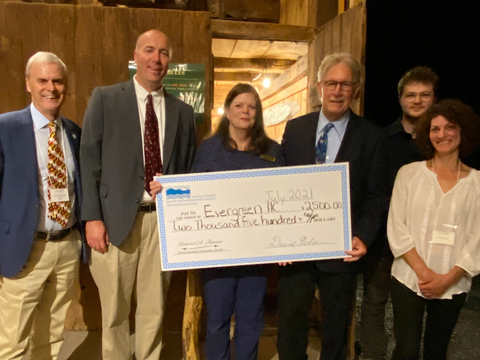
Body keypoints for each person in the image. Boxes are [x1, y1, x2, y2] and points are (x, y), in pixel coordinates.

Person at [80, 29, 196, 360]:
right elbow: (89, 161)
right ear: (135, 56)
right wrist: (92, 218)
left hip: (161, 224)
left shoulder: (183, 113)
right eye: (149, 50)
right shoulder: (105, 99)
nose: (156, 59)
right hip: (113, 223)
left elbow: (186, 170)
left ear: (169, 61)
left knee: (154, 309)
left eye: (163, 53)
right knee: (114, 311)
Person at [277, 53, 389, 360]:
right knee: (290, 321)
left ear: (356, 89)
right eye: (331, 83)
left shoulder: (373, 136)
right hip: (296, 248)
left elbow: (378, 195)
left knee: (337, 326)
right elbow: (280, 186)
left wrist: (363, 236)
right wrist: (278, 239)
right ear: (319, 87)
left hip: (342, 246)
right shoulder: (296, 128)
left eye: (345, 84)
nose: (337, 90)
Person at [191, 83, 284, 360]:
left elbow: (283, 200)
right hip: (218, 254)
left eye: (252, 106)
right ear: (227, 111)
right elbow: (192, 194)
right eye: (239, 105)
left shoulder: (273, 152)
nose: (246, 111)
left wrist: (286, 242)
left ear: (258, 113)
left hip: (256, 254)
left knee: (250, 320)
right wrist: (168, 190)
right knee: (217, 320)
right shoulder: (209, 149)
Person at [0, 51, 84, 359]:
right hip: (24, 250)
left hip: (66, 248)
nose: (51, 87)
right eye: (43, 80)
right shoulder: (4, 128)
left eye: (58, 81)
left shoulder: (73, 132)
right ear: (28, 84)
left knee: (53, 340)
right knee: (13, 342)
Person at [388, 99, 480, 360]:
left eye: (449, 127)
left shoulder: (477, 184)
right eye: (435, 129)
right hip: (408, 277)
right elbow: (397, 227)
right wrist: (424, 272)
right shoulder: (409, 174)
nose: (442, 135)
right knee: (405, 351)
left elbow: (478, 239)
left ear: (463, 131)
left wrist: (447, 279)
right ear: (427, 134)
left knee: (437, 351)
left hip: (454, 280)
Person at [359, 66, 438, 360]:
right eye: (411, 95)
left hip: (427, 240)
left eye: (424, 95)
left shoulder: (442, 140)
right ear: (401, 99)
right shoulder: (382, 139)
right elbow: (374, 189)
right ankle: (374, 355)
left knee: (419, 304)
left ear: (434, 98)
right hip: (383, 238)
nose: (417, 101)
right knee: (374, 301)